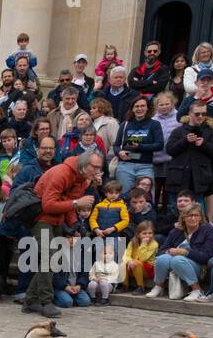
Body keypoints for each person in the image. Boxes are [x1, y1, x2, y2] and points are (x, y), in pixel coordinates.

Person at [24, 149, 103, 316]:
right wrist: (77, 202)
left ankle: (31, 300)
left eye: (99, 168)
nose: (97, 172)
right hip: (42, 218)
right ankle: (46, 301)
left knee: (54, 259)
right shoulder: (61, 172)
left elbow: (68, 204)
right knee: (50, 256)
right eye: (94, 167)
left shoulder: (82, 178)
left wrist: (75, 224)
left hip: (57, 220)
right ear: (84, 164)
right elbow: (48, 205)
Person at [165, 101, 213, 221]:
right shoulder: (178, 131)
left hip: (198, 179)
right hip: (178, 178)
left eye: (203, 114)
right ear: (190, 114)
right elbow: (169, 150)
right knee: (174, 214)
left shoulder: (210, 131)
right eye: (197, 114)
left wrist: (203, 144)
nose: (200, 116)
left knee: (196, 214)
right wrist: (185, 141)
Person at [148, 204, 213, 300]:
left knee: (178, 260)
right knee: (162, 258)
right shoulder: (176, 231)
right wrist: (169, 251)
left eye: (196, 215)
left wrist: (186, 252)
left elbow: (208, 255)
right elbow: (161, 251)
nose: (193, 218)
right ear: (183, 218)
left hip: (199, 266)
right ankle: (158, 287)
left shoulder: (209, 230)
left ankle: (197, 290)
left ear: (201, 218)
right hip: (175, 263)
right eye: (189, 215)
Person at [112, 95, 164, 193]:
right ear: (132, 109)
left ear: (147, 107)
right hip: (126, 165)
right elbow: (116, 145)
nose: (139, 109)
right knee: (125, 196)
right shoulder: (125, 124)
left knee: (146, 196)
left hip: (146, 166)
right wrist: (119, 152)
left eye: (142, 106)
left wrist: (140, 146)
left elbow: (159, 144)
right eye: (136, 106)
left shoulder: (154, 124)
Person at [121, 221, 157, 293]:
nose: (147, 235)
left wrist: (143, 244)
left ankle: (140, 286)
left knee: (137, 263)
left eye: (150, 233)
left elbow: (143, 258)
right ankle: (124, 285)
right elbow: (126, 255)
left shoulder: (154, 244)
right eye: (144, 233)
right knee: (122, 264)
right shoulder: (132, 242)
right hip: (133, 266)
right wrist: (129, 261)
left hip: (148, 269)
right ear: (138, 234)